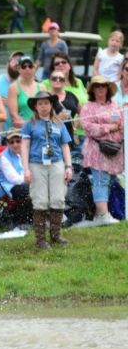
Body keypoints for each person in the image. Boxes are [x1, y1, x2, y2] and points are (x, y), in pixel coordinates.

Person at [21, 91, 73, 249]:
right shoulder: (29, 124)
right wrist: (26, 169)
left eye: (46, 103)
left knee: (58, 199)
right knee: (40, 201)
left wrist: (68, 166)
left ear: (51, 105)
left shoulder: (59, 124)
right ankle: (41, 239)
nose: (43, 107)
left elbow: (65, 145)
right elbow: (25, 146)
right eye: (40, 104)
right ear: (35, 107)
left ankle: (56, 234)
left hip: (56, 163)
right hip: (37, 164)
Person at [79, 76, 124, 225]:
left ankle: (101, 213)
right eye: (97, 86)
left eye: (103, 86)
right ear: (92, 89)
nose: (100, 89)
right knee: (101, 181)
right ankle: (103, 215)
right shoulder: (88, 107)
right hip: (96, 150)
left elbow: (123, 124)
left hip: (115, 150)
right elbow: (88, 127)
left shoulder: (115, 106)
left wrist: (116, 129)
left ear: (108, 88)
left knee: (110, 180)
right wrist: (109, 127)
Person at [0, 129, 33, 226]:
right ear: (7, 143)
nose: (15, 144)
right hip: (8, 186)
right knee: (30, 190)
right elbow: (14, 179)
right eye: (12, 142)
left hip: (24, 183)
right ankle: (23, 220)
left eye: (18, 141)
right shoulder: (4, 157)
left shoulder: (26, 152)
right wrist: (33, 179)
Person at [8, 56, 44, 129]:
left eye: (30, 66)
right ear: (19, 69)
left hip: (41, 128)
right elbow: (14, 114)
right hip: (23, 130)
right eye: (24, 67)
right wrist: (29, 126)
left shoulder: (42, 87)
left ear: (34, 68)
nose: (27, 69)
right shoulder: (13, 88)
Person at [48, 70, 80, 144]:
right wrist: (57, 118)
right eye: (54, 78)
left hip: (70, 137)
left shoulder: (71, 95)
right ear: (50, 81)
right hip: (52, 139)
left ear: (65, 82)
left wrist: (75, 124)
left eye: (61, 79)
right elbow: (39, 118)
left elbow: (82, 112)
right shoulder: (45, 97)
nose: (58, 80)